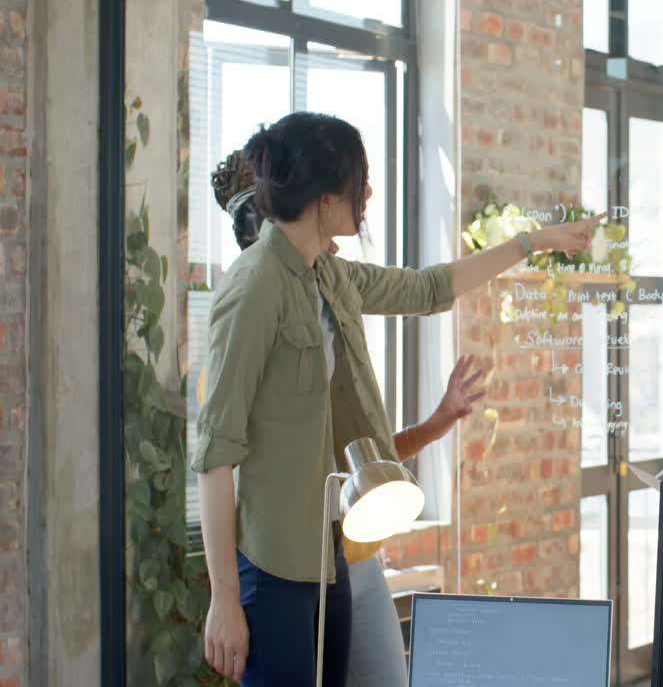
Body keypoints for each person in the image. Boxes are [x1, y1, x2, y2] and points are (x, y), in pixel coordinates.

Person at [192, 111, 604, 685]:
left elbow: (430, 288)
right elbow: (215, 454)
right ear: (326, 199)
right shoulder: (255, 286)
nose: (368, 195)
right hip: (274, 568)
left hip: (329, 553)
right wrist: (223, 599)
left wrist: (533, 242)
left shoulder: (328, 276)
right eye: (359, 182)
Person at [209, 148, 486, 686]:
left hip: (349, 553)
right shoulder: (249, 328)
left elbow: (352, 462)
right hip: (283, 564)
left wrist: (438, 421)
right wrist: (225, 598)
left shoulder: (333, 300)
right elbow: (218, 467)